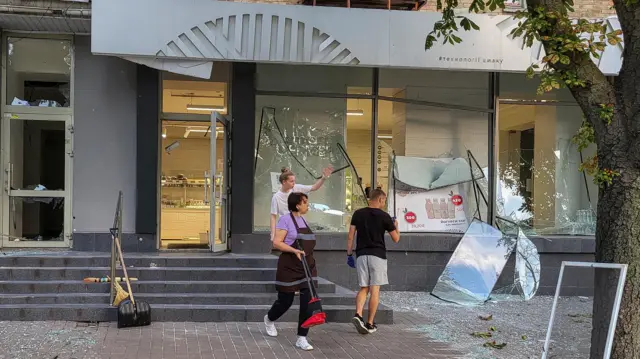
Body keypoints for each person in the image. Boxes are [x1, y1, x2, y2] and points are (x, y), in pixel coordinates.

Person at [264, 192, 318, 351]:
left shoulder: (303, 220)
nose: (307, 205)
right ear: (297, 205)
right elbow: (276, 243)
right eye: (305, 202)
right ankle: (269, 319)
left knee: (307, 302)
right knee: (285, 301)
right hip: (289, 266)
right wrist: (294, 250)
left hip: (307, 267)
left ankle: (302, 338)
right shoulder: (285, 220)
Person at [346, 188, 400, 334]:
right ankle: (370, 323)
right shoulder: (385, 216)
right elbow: (396, 239)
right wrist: (396, 226)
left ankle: (358, 314)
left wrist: (349, 254)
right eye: (384, 200)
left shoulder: (358, 213)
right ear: (380, 199)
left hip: (361, 255)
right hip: (378, 255)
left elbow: (350, 236)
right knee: (375, 289)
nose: (384, 203)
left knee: (364, 287)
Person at [270, 166, 333, 241]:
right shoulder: (276, 197)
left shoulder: (296, 188)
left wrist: (323, 178)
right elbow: (273, 216)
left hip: (299, 227)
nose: (294, 183)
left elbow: (314, 187)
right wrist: (273, 234)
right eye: (291, 181)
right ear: (284, 182)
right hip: (286, 229)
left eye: (294, 181)